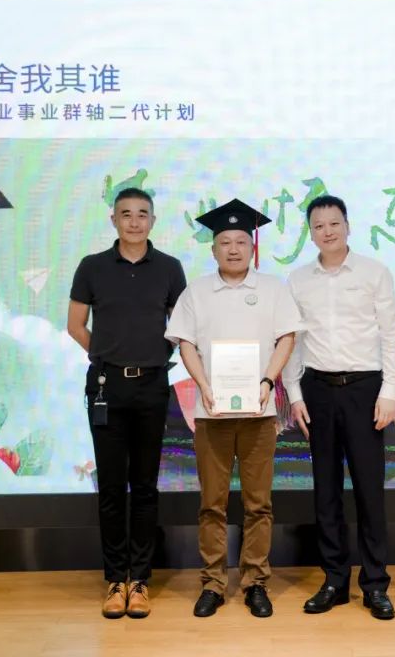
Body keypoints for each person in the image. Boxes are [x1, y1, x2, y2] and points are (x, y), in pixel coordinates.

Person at [165, 199, 303, 618]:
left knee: (259, 504)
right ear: (213, 249)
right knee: (213, 503)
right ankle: (212, 583)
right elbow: (185, 343)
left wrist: (267, 381)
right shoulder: (197, 292)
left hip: (260, 416)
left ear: (252, 247)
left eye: (241, 241)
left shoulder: (274, 289)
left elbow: (287, 338)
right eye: (225, 242)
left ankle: (256, 582)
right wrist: (204, 385)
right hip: (213, 415)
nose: (233, 249)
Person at [67, 187, 187, 619]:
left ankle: (140, 581)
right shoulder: (92, 266)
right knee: (113, 487)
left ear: (153, 221)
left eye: (142, 214)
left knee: (146, 486)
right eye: (126, 214)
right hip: (106, 387)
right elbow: (75, 325)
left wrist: (150, 356)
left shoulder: (170, 268)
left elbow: (181, 326)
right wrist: (107, 355)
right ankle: (116, 579)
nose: (134, 222)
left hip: (152, 386)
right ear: (113, 220)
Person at [283, 194, 395, 620]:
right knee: (326, 490)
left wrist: (389, 391)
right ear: (310, 233)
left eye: (334, 223)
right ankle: (334, 580)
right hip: (317, 389)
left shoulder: (374, 272)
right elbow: (294, 341)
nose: (327, 231)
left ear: (348, 226)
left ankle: (375, 584)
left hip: (365, 390)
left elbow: (391, 334)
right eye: (318, 226)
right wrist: (294, 395)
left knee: (370, 490)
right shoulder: (298, 280)